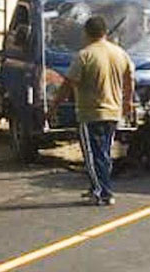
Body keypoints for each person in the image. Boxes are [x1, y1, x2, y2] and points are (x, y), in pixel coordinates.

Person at [49, 16, 134, 206]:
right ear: (105, 32)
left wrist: (54, 106)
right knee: (103, 152)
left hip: (90, 113)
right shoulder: (120, 53)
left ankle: (101, 191)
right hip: (113, 111)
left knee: (91, 155)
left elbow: (68, 84)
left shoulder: (85, 55)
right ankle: (100, 187)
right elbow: (130, 78)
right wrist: (127, 102)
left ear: (86, 33)